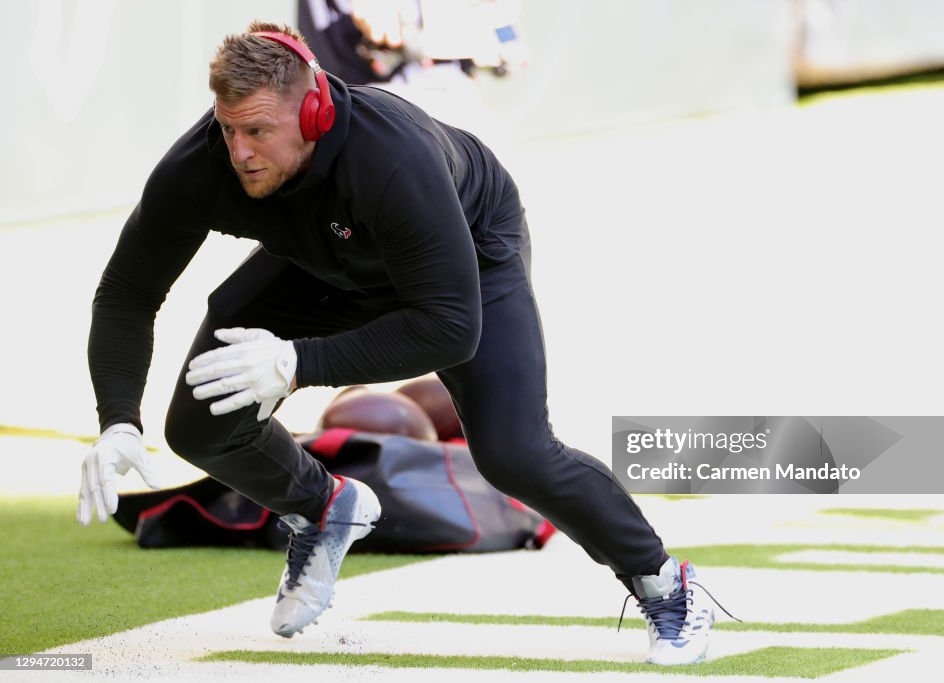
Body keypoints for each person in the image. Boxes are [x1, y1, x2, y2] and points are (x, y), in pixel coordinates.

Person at [76, 21, 715, 665]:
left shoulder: (389, 157)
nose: (239, 151)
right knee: (201, 424)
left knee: (515, 453)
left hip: (464, 260)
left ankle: (665, 583)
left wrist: (296, 363)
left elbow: (449, 326)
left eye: (259, 131)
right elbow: (127, 292)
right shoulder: (204, 164)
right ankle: (324, 508)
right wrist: (117, 420)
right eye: (228, 127)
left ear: (316, 111)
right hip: (325, 259)